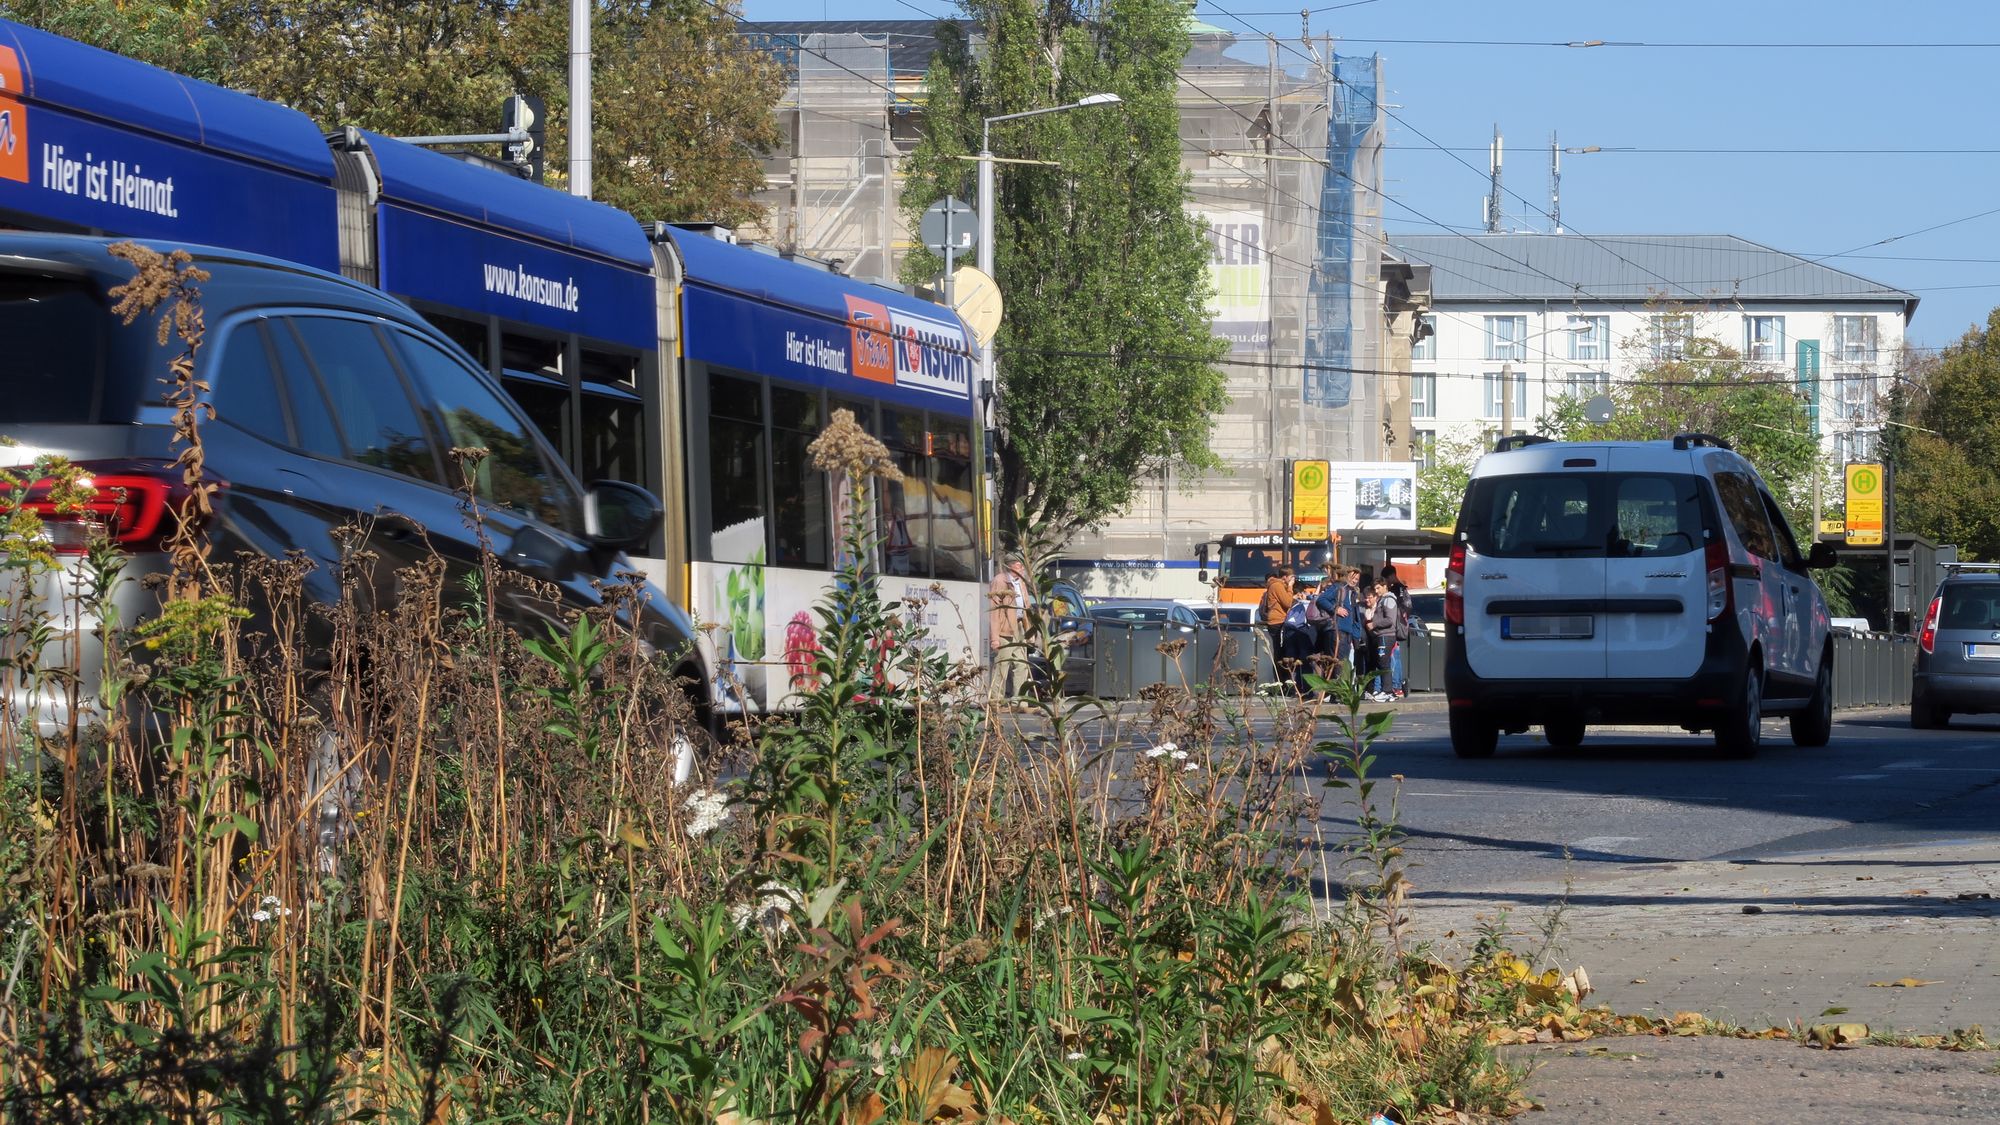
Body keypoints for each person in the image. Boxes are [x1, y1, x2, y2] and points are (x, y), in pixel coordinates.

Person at [988, 554, 1031, 702]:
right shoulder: (1000, 581)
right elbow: (994, 611)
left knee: (1022, 664)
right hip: (1004, 629)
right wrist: (995, 639)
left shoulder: (1021, 582)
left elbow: (1026, 606)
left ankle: (1020, 699)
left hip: (1019, 628)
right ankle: (996, 699)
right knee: (1002, 665)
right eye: (1019, 565)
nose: (1023, 568)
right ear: (1010, 566)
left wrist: (1029, 631)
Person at [1367, 578, 1405, 702]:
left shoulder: (1388, 599)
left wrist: (1374, 623)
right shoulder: (1383, 600)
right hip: (1383, 635)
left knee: (1383, 662)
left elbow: (1390, 619)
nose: (1376, 591)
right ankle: (1387, 691)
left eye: (1378, 588)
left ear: (1385, 586)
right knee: (1384, 663)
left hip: (1386, 635)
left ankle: (1387, 691)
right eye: (1375, 589)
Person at [1260, 564, 1296, 671]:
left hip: (1279, 620)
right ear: (1284, 577)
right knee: (1279, 652)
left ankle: (1281, 677)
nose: (1292, 580)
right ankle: (1279, 677)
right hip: (1277, 622)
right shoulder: (1277, 586)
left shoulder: (1278, 585)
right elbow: (1288, 602)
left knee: (1281, 651)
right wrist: (1290, 587)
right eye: (1291, 577)